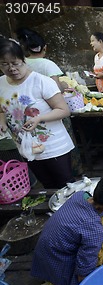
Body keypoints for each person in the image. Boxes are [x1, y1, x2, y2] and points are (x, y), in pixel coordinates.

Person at [31, 172, 103, 285]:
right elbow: (83, 273)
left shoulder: (80, 196)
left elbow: (90, 217)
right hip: (58, 268)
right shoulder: (94, 231)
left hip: (44, 259)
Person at [0, 38, 75, 189]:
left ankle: (73, 212)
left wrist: (39, 118)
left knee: (66, 185)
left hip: (53, 147)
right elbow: (2, 108)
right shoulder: (1, 83)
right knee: (47, 185)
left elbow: (63, 110)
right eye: (4, 64)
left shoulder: (41, 81)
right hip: (25, 146)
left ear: (23, 60)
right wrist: (2, 121)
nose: (11, 68)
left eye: (15, 63)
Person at [16, 27, 84, 176]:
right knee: (63, 151)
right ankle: (74, 171)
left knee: (38, 155)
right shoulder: (48, 64)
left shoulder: (23, 64)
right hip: (52, 112)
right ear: (44, 48)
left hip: (28, 119)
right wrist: (65, 85)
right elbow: (56, 88)